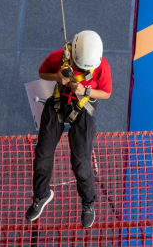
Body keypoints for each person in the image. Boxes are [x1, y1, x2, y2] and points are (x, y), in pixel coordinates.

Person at [25, 30, 112, 228]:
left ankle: (89, 202)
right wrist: (58, 77)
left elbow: (106, 93)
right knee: (42, 155)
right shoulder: (60, 57)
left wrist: (86, 91)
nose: (80, 68)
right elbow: (41, 73)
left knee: (81, 163)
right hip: (58, 104)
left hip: (83, 109)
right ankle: (42, 195)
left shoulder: (101, 67)